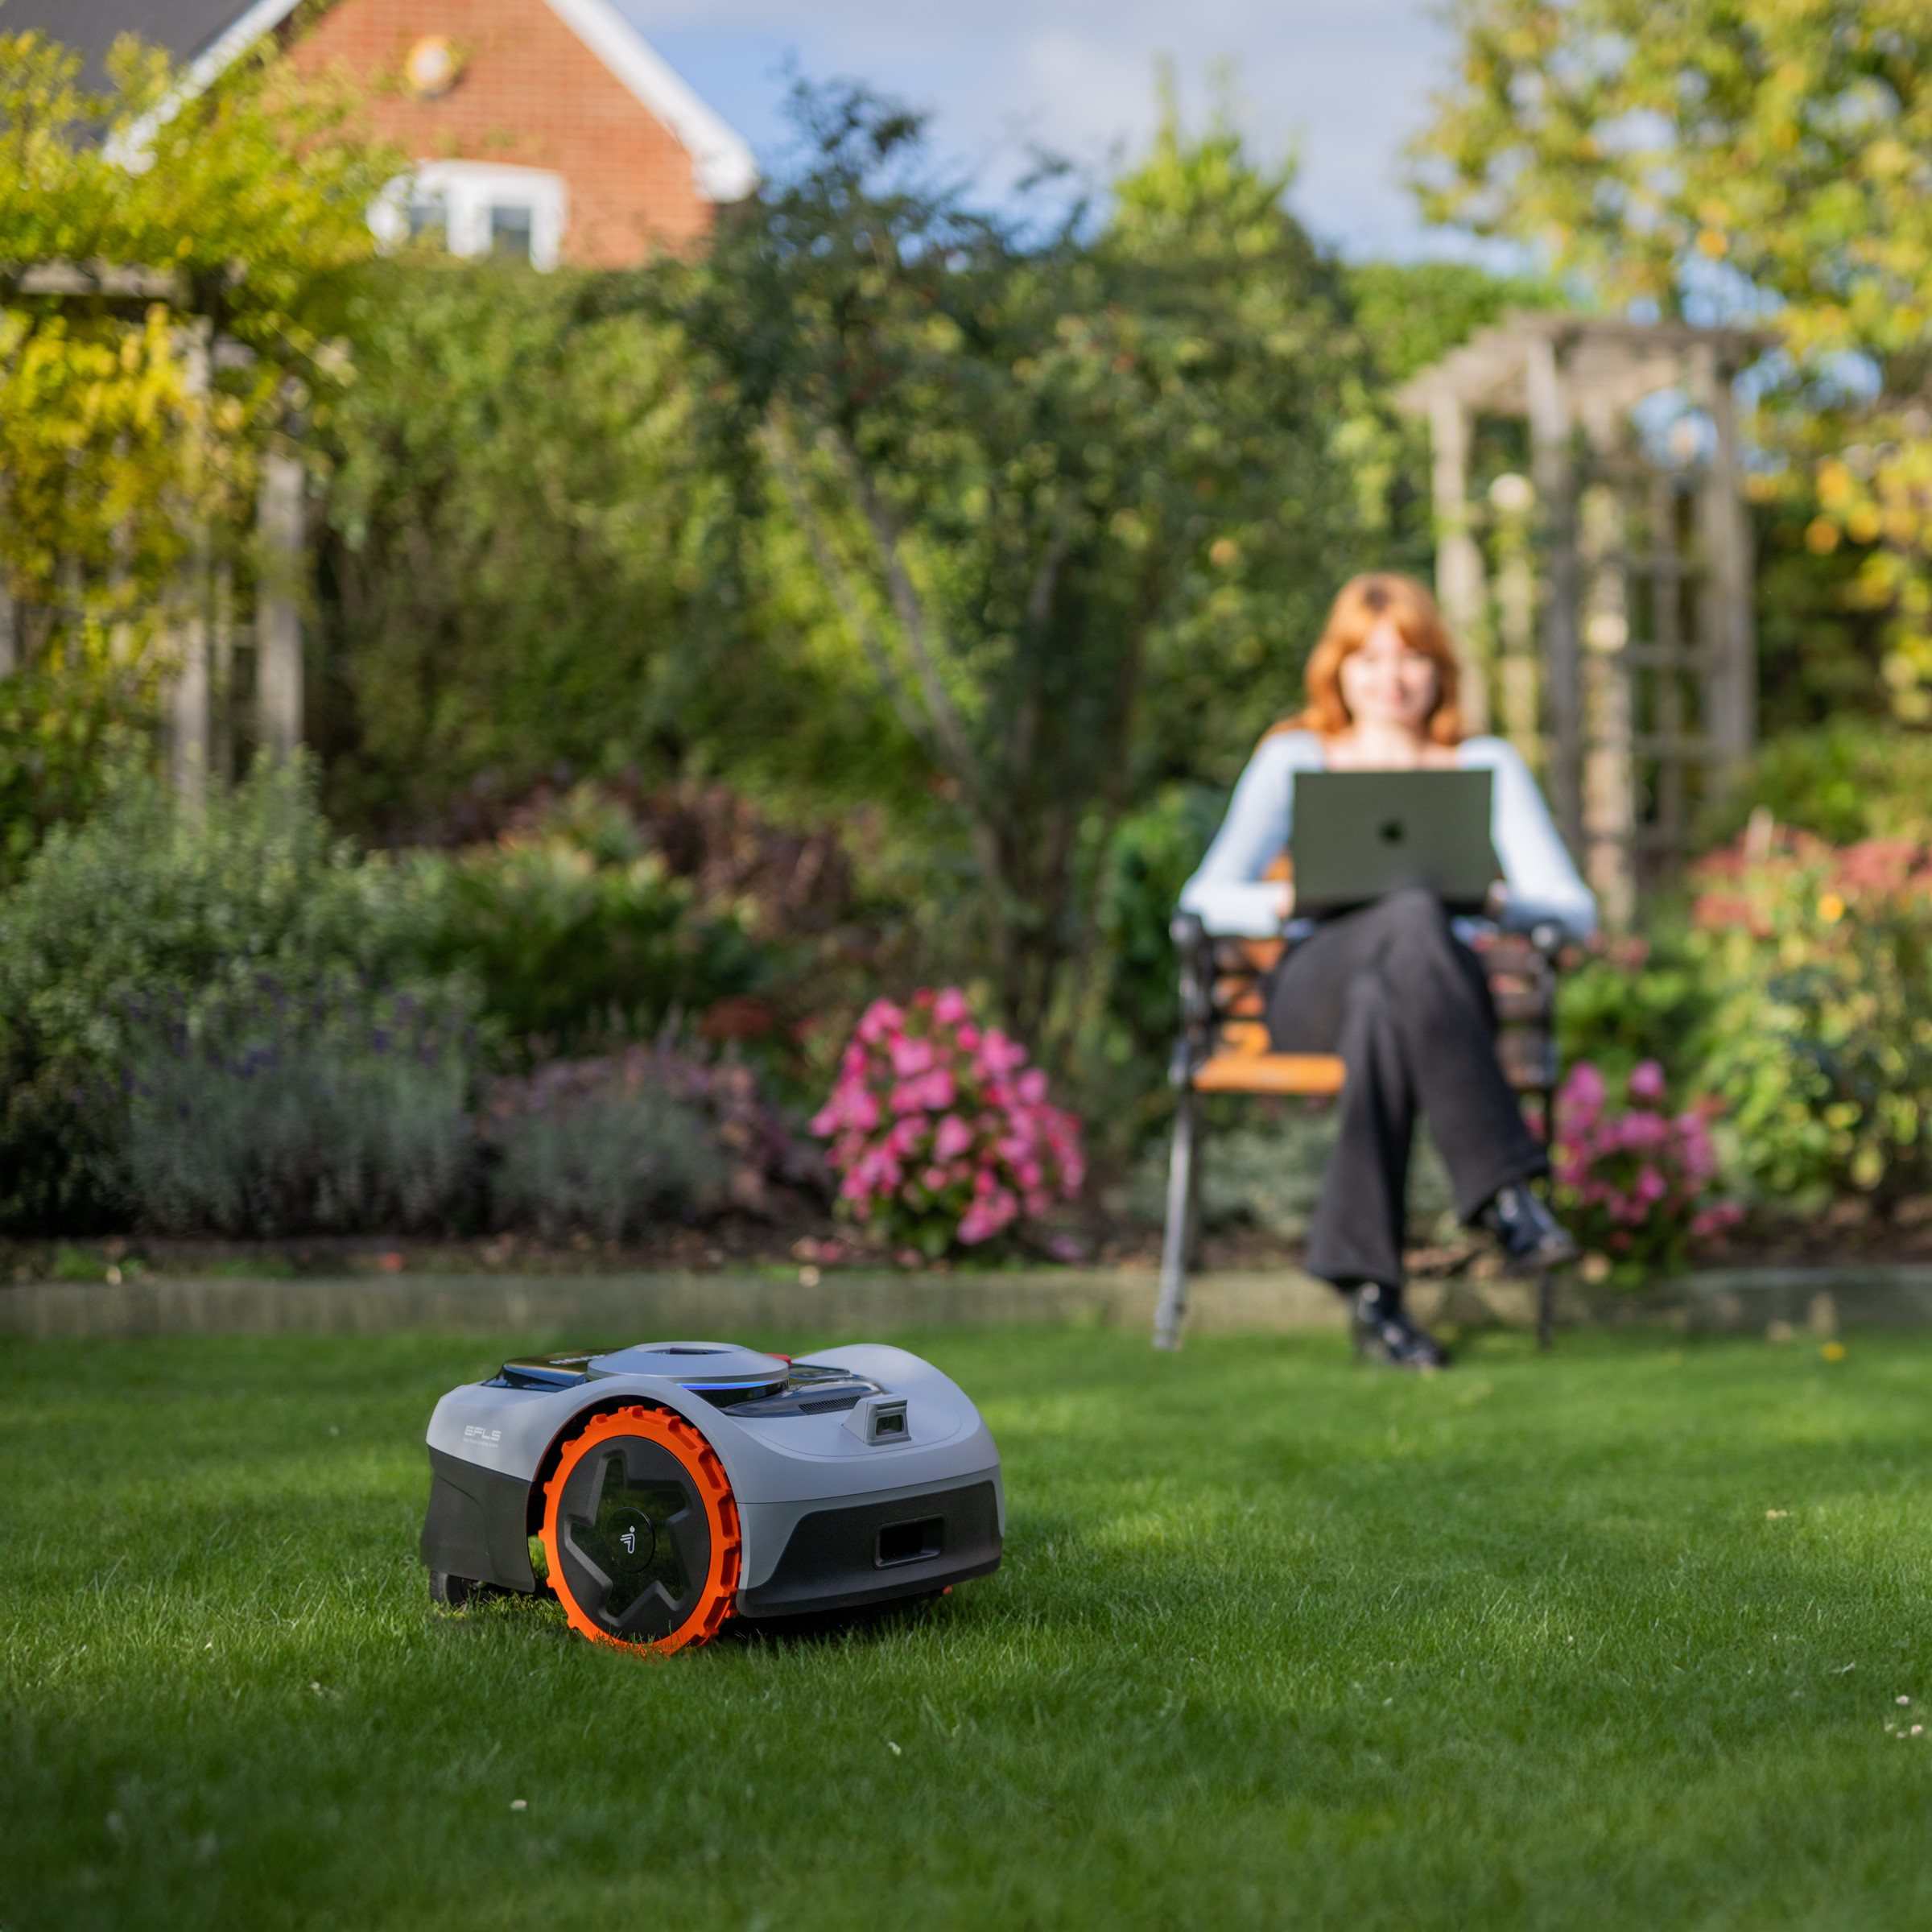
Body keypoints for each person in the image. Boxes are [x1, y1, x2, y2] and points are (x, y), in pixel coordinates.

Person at [1179, 572, 1596, 1368]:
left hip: (1430, 991)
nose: (1389, 675)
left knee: (1394, 981)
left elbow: (1574, 909)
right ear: (1337, 668)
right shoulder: (1295, 758)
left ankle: (1374, 1296)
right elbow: (1202, 898)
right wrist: (1293, 899)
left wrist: (1493, 900)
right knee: (1405, 914)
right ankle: (1505, 1195)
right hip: (1314, 985)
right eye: (1368, 657)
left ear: (1439, 669)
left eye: (1409, 655)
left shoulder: (1485, 765)